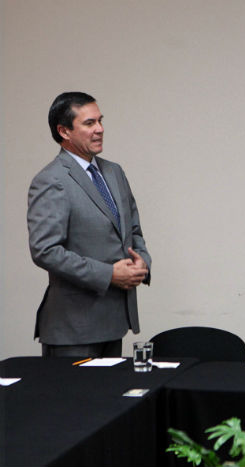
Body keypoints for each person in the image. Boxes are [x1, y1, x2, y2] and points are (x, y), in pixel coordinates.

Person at [27, 92, 151, 358]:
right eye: (89, 123)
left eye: (100, 121)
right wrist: (108, 274)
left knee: (114, 400)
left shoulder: (114, 172)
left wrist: (143, 263)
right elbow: (45, 251)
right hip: (73, 328)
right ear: (64, 131)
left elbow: (133, 232)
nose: (100, 129)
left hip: (115, 322)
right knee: (76, 401)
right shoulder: (51, 180)